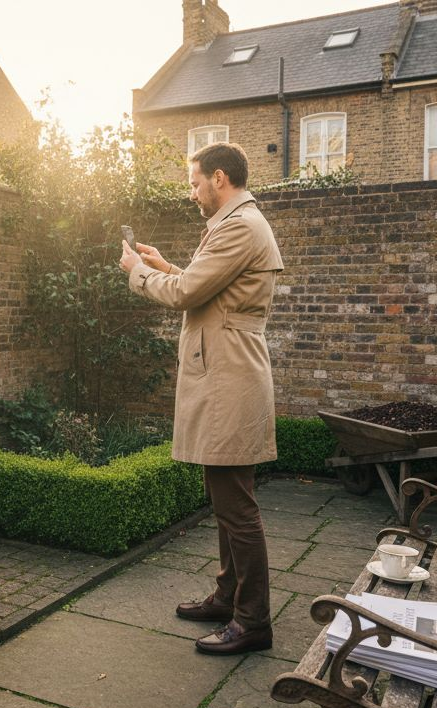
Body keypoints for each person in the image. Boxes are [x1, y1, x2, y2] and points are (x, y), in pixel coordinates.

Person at [118, 142, 283, 655]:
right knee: (225, 497)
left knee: (236, 506)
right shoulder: (237, 223)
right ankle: (228, 596)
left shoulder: (238, 225)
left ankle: (252, 621)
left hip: (229, 380)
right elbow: (203, 285)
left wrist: (137, 272)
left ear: (219, 177)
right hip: (226, 373)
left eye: (193, 183)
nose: (191, 193)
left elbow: (187, 294)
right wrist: (166, 264)